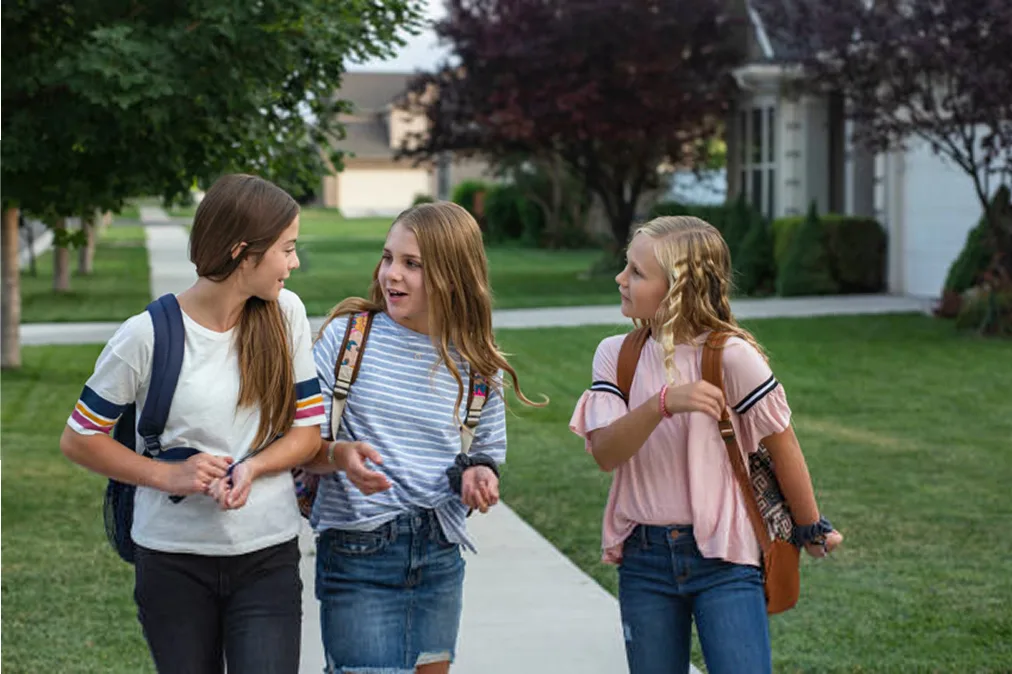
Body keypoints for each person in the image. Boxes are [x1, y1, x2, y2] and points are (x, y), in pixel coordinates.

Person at [60, 173, 326, 673]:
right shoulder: (144, 337)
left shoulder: (284, 314)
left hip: (267, 555)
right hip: (172, 561)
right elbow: (79, 439)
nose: (293, 263)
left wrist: (254, 468)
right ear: (244, 252)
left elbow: (307, 433)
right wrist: (166, 475)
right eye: (286, 249)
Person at [569, 215, 843, 674]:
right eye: (626, 267)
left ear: (678, 289)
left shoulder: (732, 356)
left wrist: (810, 526)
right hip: (644, 558)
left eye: (637, 272)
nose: (621, 278)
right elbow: (605, 453)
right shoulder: (616, 356)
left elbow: (783, 447)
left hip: (727, 559)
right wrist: (662, 403)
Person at [304, 201, 545, 674]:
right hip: (359, 553)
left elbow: (482, 453)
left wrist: (477, 474)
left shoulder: (477, 364)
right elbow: (300, 444)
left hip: (439, 556)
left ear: (453, 275)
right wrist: (339, 456)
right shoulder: (347, 340)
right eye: (389, 257)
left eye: (412, 264)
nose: (392, 274)